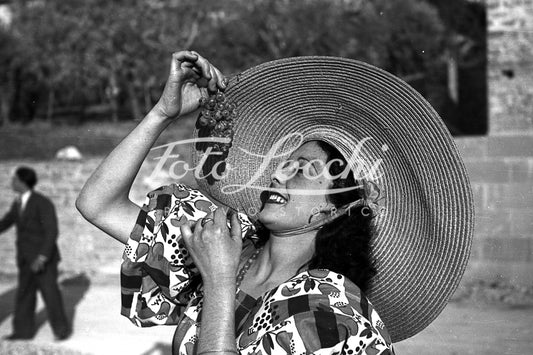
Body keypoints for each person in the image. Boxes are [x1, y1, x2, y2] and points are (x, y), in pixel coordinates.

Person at [76, 51, 474, 354]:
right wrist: (163, 114)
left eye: (302, 170)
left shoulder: (329, 307)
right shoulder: (229, 241)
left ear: (334, 209)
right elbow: (98, 203)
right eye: (282, 165)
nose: (278, 175)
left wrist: (217, 281)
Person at [0, 166, 71, 341]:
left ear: (23, 182)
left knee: (50, 294)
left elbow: (51, 231)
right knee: (24, 295)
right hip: (25, 258)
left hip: (42, 259)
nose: (12, 182)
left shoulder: (42, 202)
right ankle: (22, 332)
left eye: (15, 179)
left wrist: (42, 257)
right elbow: (6, 222)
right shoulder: (18, 203)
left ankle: (61, 331)